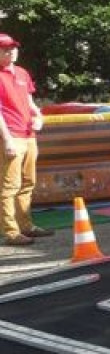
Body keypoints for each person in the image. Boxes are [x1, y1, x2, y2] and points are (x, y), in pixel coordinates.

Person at [0, 34, 51, 246]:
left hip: (29, 134)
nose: (11, 52)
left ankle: (26, 226)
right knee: (9, 186)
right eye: (5, 49)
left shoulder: (22, 73)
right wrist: (7, 140)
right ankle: (11, 232)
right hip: (11, 135)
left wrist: (39, 117)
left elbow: (30, 103)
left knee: (28, 182)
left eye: (13, 48)